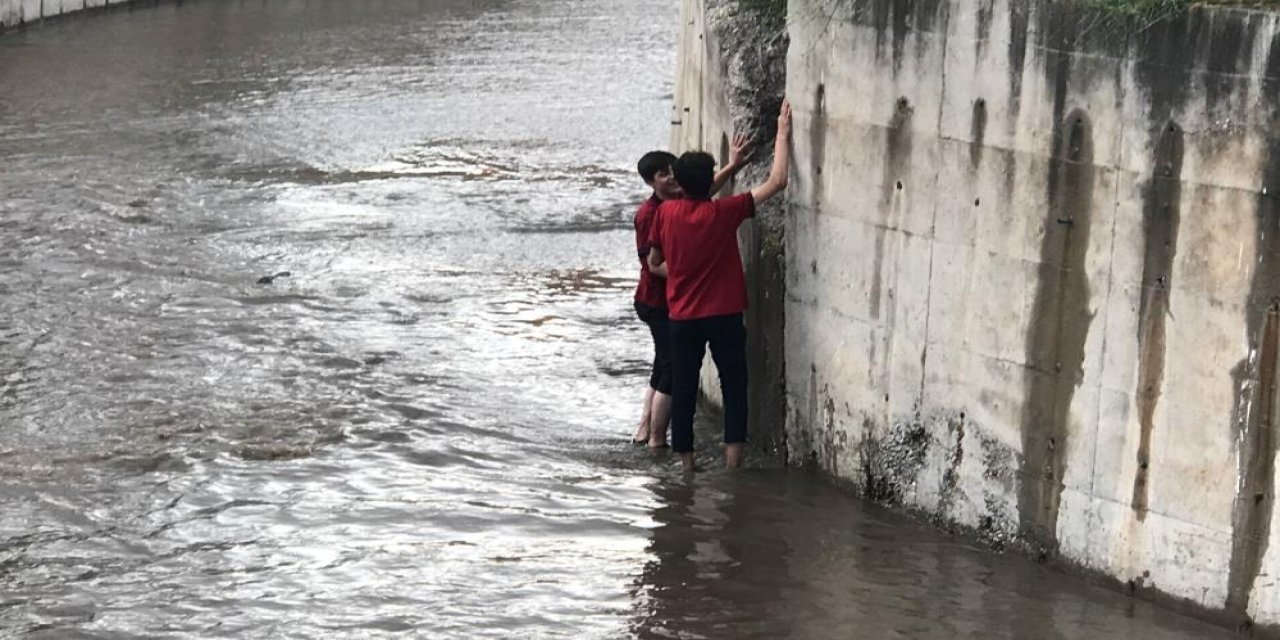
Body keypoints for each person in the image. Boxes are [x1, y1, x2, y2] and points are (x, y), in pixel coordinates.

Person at [646, 100, 791, 470]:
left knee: (683, 389)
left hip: (682, 317)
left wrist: (677, 273)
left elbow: (656, 264)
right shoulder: (723, 213)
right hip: (724, 314)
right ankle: (732, 463)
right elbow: (777, 181)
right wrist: (782, 133)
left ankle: (687, 465)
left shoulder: (664, 213)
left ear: (679, 181)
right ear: (707, 179)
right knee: (733, 387)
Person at [631, 137, 752, 449]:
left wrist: (732, 165)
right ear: (650, 182)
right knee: (671, 372)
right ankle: (656, 439)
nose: (670, 177)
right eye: (662, 174)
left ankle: (646, 430)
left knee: (664, 366)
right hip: (659, 301)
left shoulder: (674, 206)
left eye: (672, 171)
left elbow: (703, 192)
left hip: (678, 302)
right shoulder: (653, 214)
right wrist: (690, 270)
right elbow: (652, 265)